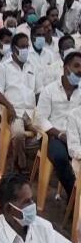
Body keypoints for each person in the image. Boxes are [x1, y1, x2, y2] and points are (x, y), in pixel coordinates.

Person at [34, 50, 81, 200]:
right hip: (52, 136)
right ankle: (74, 199)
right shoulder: (49, 91)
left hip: (76, 135)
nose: (80, 70)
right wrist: (60, 134)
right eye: (76, 66)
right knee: (61, 157)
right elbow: (41, 119)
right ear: (66, 68)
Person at [0, 32, 36, 171]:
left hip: (32, 112)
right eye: (22, 46)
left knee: (47, 135)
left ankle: (17, 156)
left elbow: (39, 91)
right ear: (14, 48)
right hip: (14, 112)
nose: (25, 49)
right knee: (18, 134)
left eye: (27, 46)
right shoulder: (4, 67)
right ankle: (20, 164)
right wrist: (9, 106)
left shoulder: (32, 66)